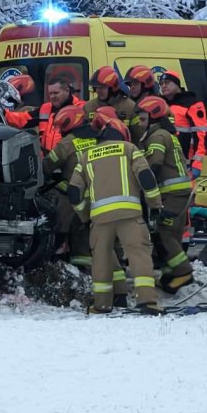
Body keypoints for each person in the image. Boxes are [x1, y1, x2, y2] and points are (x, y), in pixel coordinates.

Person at [68, 110, 163, 315]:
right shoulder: (129, 149)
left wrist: (85, 216)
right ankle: (147, 303)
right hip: (130, 215)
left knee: (101, 260)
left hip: (100, 219)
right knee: (139, 255)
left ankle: (102, 305)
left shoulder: (86, 157)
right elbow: (146, 177)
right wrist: (155, 206)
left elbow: (74, 192)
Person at [135, 96, 195, 293]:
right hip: (179, 193)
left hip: (173, 194)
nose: (141, 124)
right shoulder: (167, 134)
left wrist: (138, 179)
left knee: (164, 232)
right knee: (174, 235)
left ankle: (183, 271)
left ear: (154, 119)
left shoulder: (158, 136)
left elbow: (154, 163)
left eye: (143, 120)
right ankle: (171, 276)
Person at [45, 105, 102, 276]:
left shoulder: (67, 143)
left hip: (77, 198)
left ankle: (58, 255)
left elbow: (47, 166)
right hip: (102, 196)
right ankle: (88, 267)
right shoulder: (101, 138)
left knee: (56, 197)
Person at [158, 70, 207, 178]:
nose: (163, 86)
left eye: (167, 82)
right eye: (161, 83)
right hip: (165, 159)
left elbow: (201, 134)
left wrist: (197, 163)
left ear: (177, 84)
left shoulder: (192, 103)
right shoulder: (161, 103)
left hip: (185, 161)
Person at [84, 66, 141, 142]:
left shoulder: (130, 107)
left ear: (113, 87)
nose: (98, 91)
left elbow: (139, 135)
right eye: (96, 87)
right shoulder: (88, 107)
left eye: (102, 87)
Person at [39, 78, 85, 152]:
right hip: (48, 158)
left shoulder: (81, 109)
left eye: (56, 93)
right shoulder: (45, 108)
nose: (52, 96)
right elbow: (23, 118)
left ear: (67, 91)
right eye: (50, 93)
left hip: (69, 156)